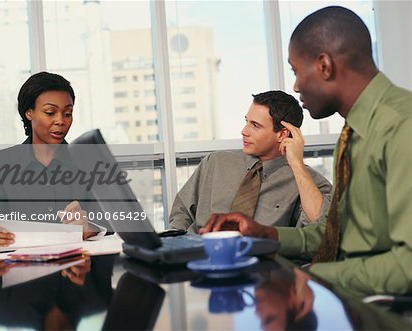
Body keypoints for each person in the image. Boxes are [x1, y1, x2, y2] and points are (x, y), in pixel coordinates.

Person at [201, 6, 412, 296]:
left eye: (297, 71)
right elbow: (332, 232)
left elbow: (408, 266)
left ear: (325, 66)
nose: (297, 86)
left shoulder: (403, 126)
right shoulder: (354, 134)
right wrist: (265, 234)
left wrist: (312, 277)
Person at [0, 72, 108, 248]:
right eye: (50, 113)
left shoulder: (88, 161)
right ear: (29, 113)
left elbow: (113, 219)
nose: (61, 121)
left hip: (78, 267)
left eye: (67, 113)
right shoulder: (0, 162)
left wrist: (90, 228)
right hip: (21, 268)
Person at [169, 90, 332, 232]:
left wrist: (297, 164)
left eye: (255, 125)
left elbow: (320, 226)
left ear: (282, 134)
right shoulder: (215, 162)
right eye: (246, 121)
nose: (244, 131)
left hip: (261, 262)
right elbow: (181, 212)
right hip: (198, 256)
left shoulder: (310, 182)